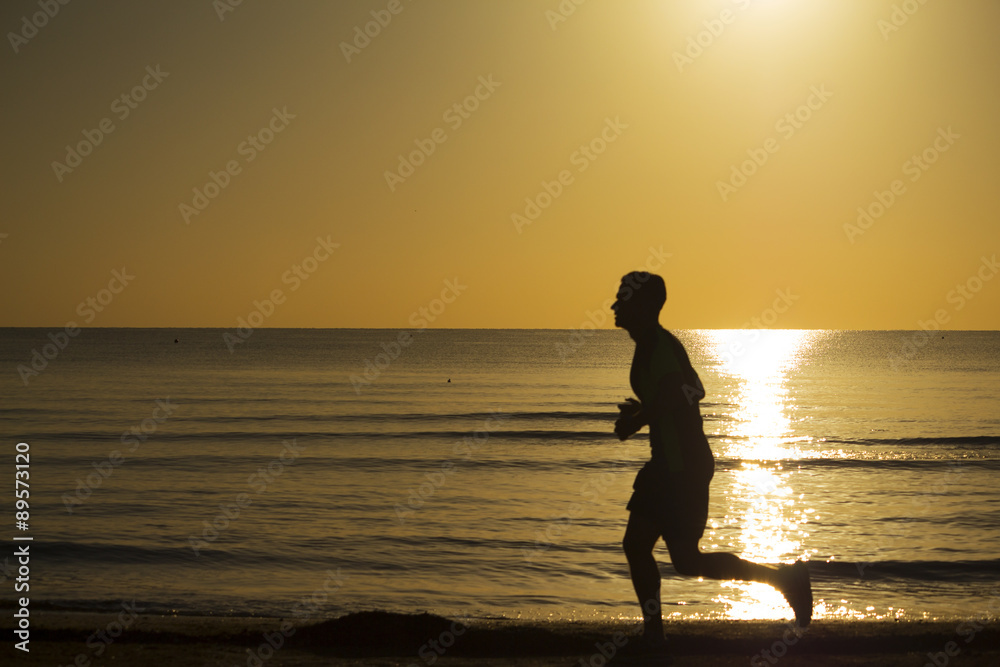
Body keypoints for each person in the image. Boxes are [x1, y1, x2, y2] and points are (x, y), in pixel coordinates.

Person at [611, 271, 812, 651]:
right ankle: (785, 580)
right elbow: (688, 389)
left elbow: (686, 392)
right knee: (684, 560)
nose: (614, 305)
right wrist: (645, 411)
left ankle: (654, 635)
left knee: (639, 546)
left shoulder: (659, 345)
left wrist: (639, 419)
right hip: (673, 464)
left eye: (622, 299)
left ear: (643, 306)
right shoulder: (652, 344)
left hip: (681, 466)